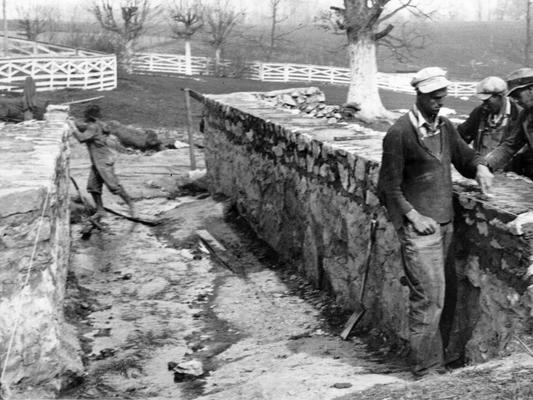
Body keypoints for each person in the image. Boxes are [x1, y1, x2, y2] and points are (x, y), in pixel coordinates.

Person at [377, 67, 493, 377]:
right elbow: (387, 187)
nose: (439, 104)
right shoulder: (400, 133)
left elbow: (464, 157)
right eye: (433, 99)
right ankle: (426, 369)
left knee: (447, 295)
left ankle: (441, 358)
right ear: (419, 95)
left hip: (446, 225)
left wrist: (480, 166)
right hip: (420, 230)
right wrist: (413, 216)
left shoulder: (444, 127)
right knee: (428, 300)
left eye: (442, 98)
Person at [67, 104, 135, 222]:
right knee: (93, 187)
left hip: (103, 161)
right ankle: (100, 210)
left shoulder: (93, 127)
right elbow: (82, 125)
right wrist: (72, 120)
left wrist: (71, 127)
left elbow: (81, 138)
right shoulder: (96, 125)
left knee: (113, 186)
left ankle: (131, 205)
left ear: (88, 116)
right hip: (97, 161)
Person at [486, 68, 533, 175]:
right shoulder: (525, 116)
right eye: (512, 97)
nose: (516, 101)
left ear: (531, 89)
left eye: (517, 96)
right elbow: (509, 147)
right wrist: (484, 166)